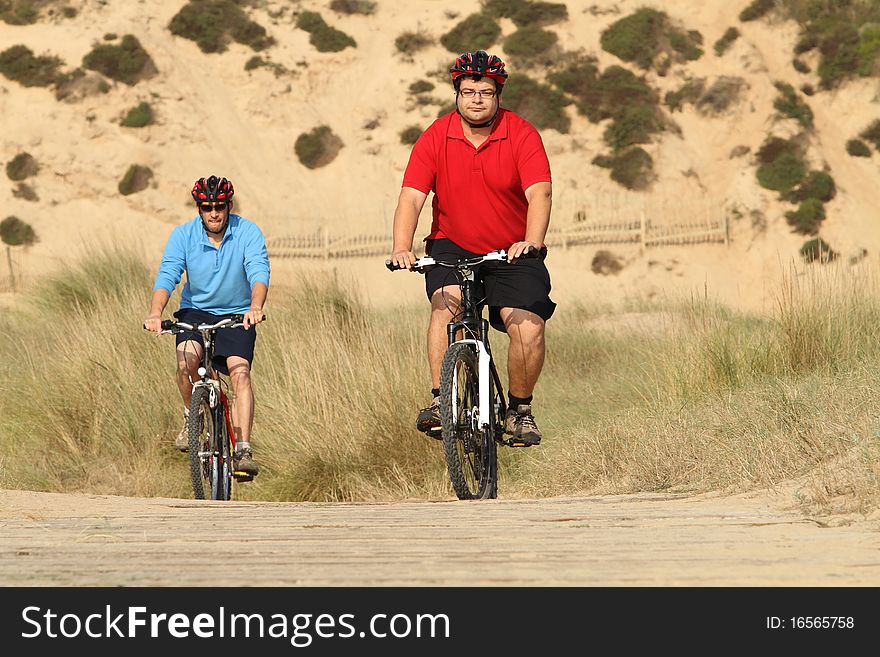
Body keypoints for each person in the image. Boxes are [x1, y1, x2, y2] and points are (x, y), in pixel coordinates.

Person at [388, 50, 555, 447]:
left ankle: (520, 410)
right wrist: (401, 246)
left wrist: (531, 242)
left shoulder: (521, 133)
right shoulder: (436, 135)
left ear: (499, 95)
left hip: (512, 250)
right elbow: (411, 197)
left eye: (485, 92)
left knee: (528, 327)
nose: (476, 99)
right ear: (456, 95)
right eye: (468, 92)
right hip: (452, 244)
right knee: (445, 305)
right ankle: (440, 400)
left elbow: (540, 193)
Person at [144, 175, 270, 477]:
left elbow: (258, 270)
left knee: (240, 372)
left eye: (219, 206)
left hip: (238, 314)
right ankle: (193, 417)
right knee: (186, 362)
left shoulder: (248, 232)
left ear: (228, 206)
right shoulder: (183, 235)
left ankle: (243, 449)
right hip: (195, 312)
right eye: (207, 207)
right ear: (199, 208)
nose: (214, 213)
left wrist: (255, 307)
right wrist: (154, 311)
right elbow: (168, 274)